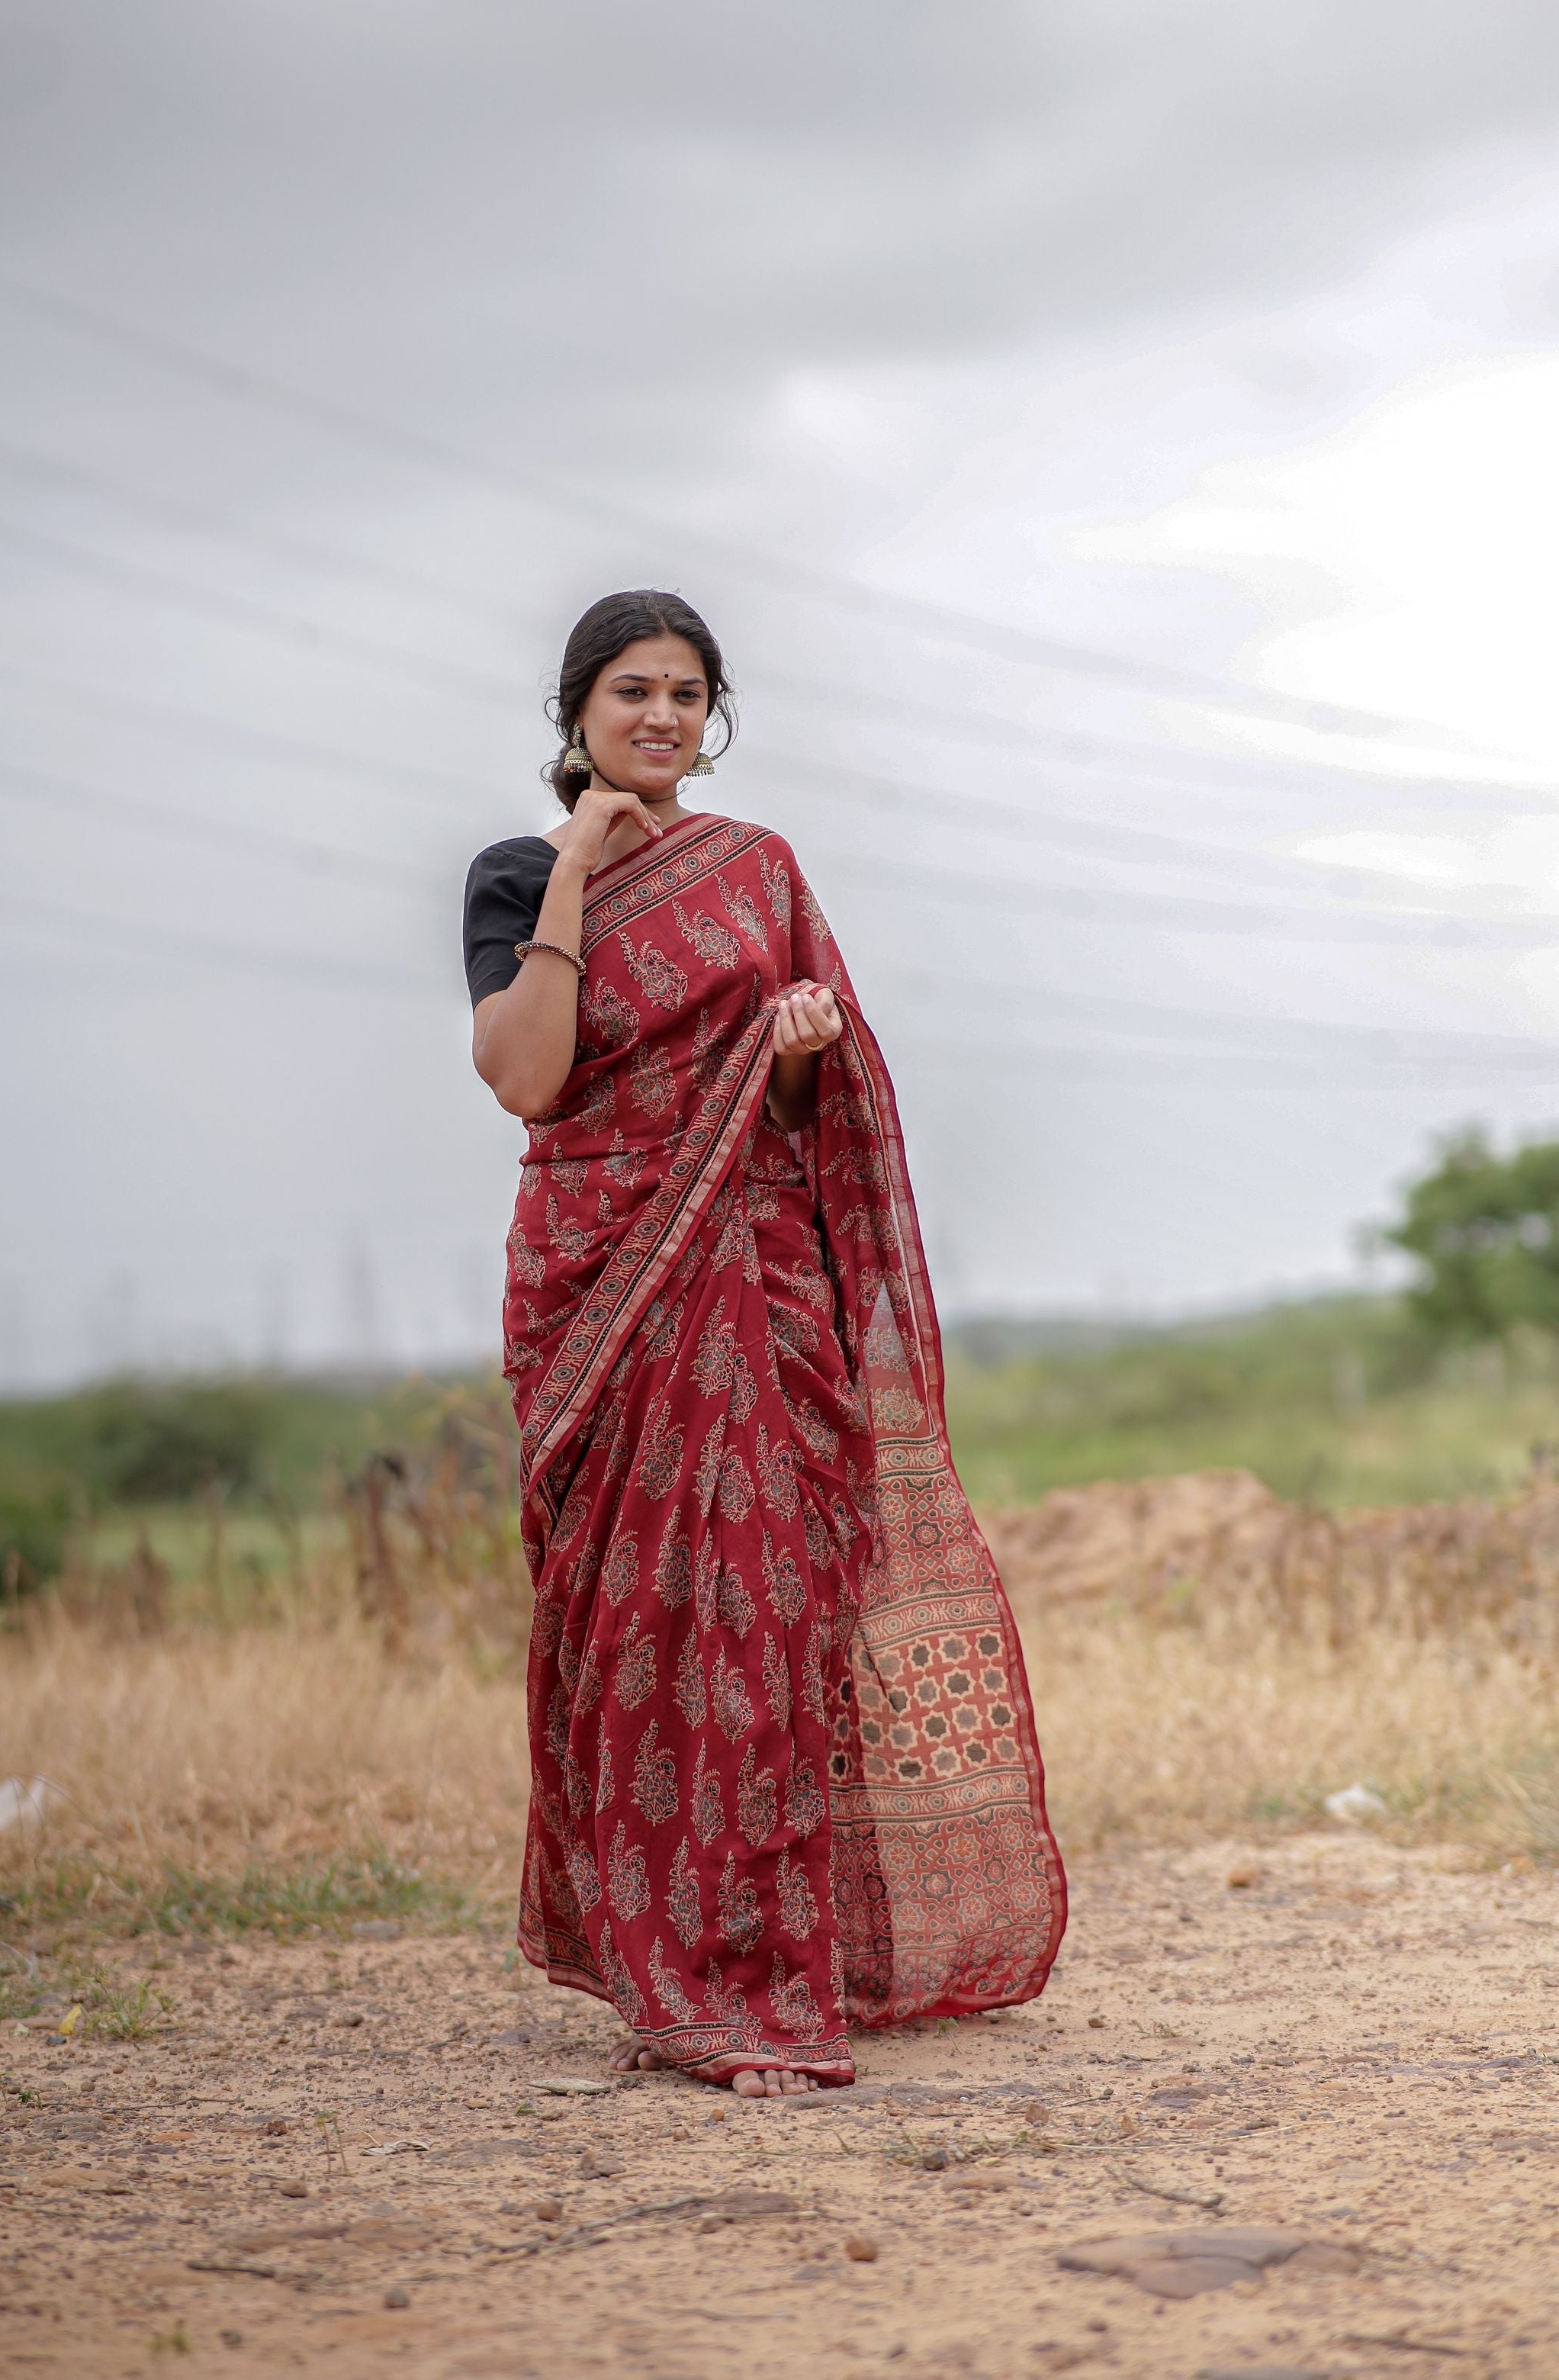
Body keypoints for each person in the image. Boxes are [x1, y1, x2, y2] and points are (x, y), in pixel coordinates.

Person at [464, 590, 1065, 2096]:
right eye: (628, 692)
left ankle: (764, 1960)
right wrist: (581, 863)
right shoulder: (515, 874)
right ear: (576, 711)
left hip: (756, 1280)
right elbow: (526, 1081)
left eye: (683, 694)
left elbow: (807, 1113)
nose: (658, 717)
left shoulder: (759, 873)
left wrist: (799, 1055)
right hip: (604, 1283)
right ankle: (666, 1963)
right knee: (635, 1629)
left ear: (708, 715)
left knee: (769, 1626)